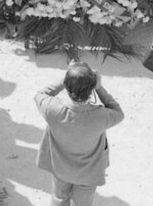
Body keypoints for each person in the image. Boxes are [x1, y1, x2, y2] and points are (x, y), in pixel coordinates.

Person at [35, 62, 124, 206]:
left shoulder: (52, 110)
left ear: (67, 86)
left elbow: (40, 94)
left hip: (60, 169)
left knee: (59, 199)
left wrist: (66, 77)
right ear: (91, 89)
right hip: (89, 173)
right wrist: (100, 87)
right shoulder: (101, 116)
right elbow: (118, 112)